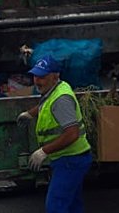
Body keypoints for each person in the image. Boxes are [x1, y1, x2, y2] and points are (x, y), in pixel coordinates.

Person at [16, 55, 92, 213]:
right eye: (35, 75)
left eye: (42, 77)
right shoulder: (55, 89)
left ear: (55, 76)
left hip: (70, 160)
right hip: (72, 158)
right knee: (72, 204)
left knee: (56, 206)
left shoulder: (61, 100)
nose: (37, 80)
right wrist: (30, 114)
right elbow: (45, 104)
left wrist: (44, 151)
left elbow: (72, 134)